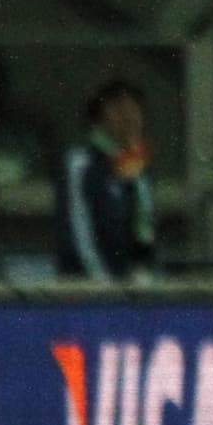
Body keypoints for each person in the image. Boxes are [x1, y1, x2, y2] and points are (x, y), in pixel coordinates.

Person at [53, 77, 153, 282]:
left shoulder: (137, 169)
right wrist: (101, 284)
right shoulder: (81, 164)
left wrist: (145, 277)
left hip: (130, 291)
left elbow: (143, 231)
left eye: (134, 109)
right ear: (99, 116)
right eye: (118, 108)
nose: (128, 116)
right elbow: (79, 230)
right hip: (88, 292)